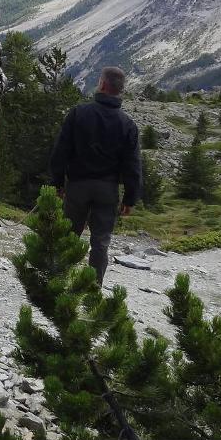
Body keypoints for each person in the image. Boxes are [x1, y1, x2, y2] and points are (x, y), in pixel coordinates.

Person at [50, 66, 142, 286]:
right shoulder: (127, 124)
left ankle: (59, 280)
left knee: (70, 234)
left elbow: (60, 151)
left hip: (78, 185)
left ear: (101, 84)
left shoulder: (78, 113)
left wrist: (57, 182)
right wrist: (130, 198)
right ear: (121, 90)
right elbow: (133, 164)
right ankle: (93, 287)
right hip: (107, 189)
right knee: (101, 241)